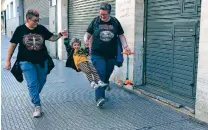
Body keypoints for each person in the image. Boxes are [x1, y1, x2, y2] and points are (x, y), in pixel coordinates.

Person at [5, 9, 67, 118]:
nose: (36, 23)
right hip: (25, 61)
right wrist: (7, 60)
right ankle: (37, 105)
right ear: (27, 19)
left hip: (41, 60)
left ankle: (34, 95)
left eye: (38, 20)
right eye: (34, 20)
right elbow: (12, 45)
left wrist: (60, 34)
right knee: (32, 83)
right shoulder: (20, 30)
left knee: (41, 81)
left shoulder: (41, 29)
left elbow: (52, 38)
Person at [84, 2, 131, 107]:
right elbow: (87, 33)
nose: (102, 16)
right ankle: (99, 98)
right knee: (100, 73)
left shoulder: (115, 22)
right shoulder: (95, 21)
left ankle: (103, 90)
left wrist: (126, 46)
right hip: (97, 53)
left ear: (109, 13)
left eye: (104, 14)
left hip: (111, 54)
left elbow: (121, 35)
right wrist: (86, 40)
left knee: (107, 74)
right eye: (100, 14)